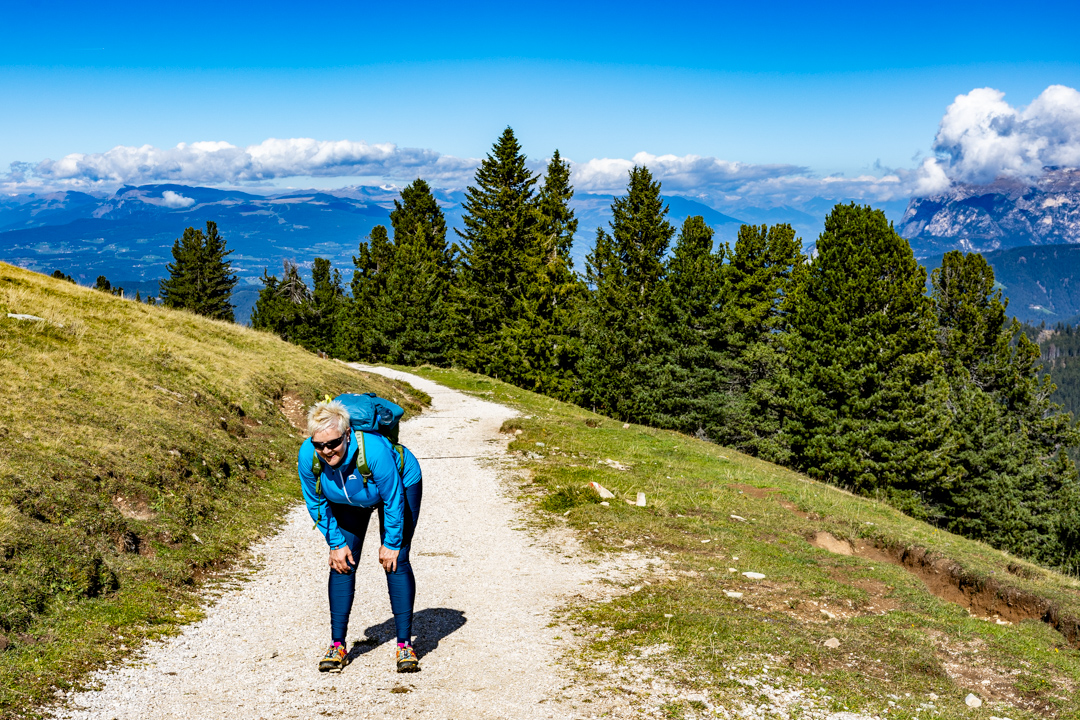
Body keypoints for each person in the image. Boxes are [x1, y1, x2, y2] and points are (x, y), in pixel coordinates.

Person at [297, 398, 422, 673]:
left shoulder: (373, 450)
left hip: (399, 485)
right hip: (349, 500)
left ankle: (405, 645)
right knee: (341, 563)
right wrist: (336, 543)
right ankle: (337, 645)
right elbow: (315, 501)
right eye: (319, 445)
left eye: (333, 443)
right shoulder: (308, 455)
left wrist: (391, 543)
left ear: (347, 434)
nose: (326, 451)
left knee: (396, 560)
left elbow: (393, 498)